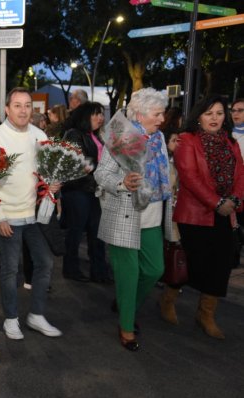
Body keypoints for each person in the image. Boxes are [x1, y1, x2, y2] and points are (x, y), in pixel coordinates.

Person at [0, 87, 62, 341]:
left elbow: (45, 173)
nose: (24, 110)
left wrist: (53, 185)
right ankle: (11, 319)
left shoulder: (40, 136)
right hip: (9, 216)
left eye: (28, 105)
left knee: (45, 263)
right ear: (7, 109)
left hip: (35, 215)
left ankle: (36, 315)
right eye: (17, 105)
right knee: (10, 270)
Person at [95, 87, 173, 352]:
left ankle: (126, 304)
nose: (162, 119)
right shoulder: (120, 137)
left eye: (162, 113)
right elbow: (101, 175)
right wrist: (122, 182)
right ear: (140, 114)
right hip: (124, 215)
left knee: (154, 270)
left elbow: (161, 173)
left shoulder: (159, 138)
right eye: (157, 114)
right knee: (129, 276)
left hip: (152, 215)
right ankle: (126, 326)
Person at [170, 95, 244, 339]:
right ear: (198, 116)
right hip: (194, 214)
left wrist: (235, 200)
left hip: (224, 215)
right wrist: (217, 202)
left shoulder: (231, 142)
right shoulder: (187, 140)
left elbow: (241, 175)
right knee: (192, 264)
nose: (215, 118)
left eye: (220, 113)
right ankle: (168, 299)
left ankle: (205, 315)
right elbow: (190, 178)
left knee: (220, 267)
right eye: (209, 113)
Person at [61, 102, 110, 283]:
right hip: (78, 190)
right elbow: (81, 163)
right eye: (96, 114)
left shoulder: (95, 136)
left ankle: (99, 271)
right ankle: (71, 269)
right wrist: (104, 170)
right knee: (76, 231)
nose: (100, 118)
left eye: (102, 114)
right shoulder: (74, 134)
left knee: (97, 233)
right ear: (85, 116)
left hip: (93, 190)